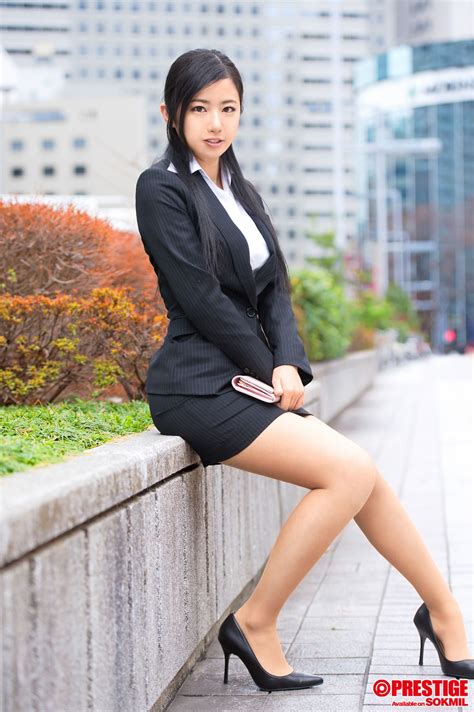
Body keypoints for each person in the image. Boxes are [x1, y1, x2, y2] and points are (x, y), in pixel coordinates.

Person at [135, 48, 473, 692]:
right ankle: (256, 622)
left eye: (228, 108)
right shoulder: (162, 188)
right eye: (200, 109)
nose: (215, 123)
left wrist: (289, 360)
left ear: (242, 113)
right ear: (170, 113)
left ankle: (444, 610)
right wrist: (270, 368)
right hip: (197, 383)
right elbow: (202, 298)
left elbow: (274, 292)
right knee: (347, 470)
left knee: (363, 475)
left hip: (247, 378)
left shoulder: (240, 190)